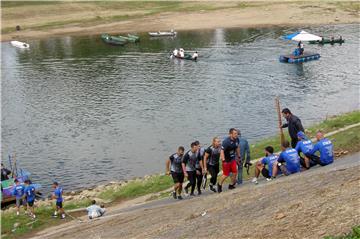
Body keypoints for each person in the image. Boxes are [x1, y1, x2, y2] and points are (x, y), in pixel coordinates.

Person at [217, 128, 240, 193]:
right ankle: (219, 185)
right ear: (230, 134)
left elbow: (237, 147)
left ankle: (231, 185)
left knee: (235, 172)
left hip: (232, 159)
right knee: (226, 175)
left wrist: (239, 156)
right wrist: (223, 160)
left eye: (237, 133)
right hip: (226, 161)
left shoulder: (237, 139)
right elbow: (221, 151)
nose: (236, 135)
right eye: (235, 134)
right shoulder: (226, 142)